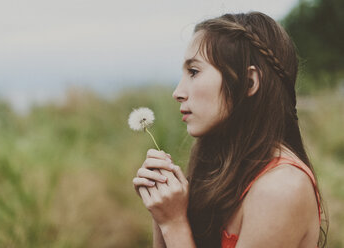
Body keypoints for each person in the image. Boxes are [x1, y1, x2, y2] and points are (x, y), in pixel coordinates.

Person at [132, 11, 327, 248]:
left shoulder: (281, 187)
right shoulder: (219, 167)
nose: (178, 92)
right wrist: (162, 208)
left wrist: (173, 224)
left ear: (248, 82)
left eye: (194, 72)